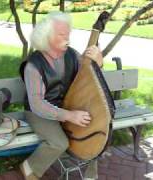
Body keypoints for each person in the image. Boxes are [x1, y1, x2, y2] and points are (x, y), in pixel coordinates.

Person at [19, 11, 103, 180]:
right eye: (62, 34)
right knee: (59, 143)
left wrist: (98, 64)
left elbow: (88, 77)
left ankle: (90, 176)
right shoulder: (33, 65)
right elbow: (37, 104)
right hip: (39, 112)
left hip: (67, 107)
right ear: (47, 37)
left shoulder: (72, 55)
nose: (68, 39)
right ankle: (30, 168)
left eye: (68, 33)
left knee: (96, 131)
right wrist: (69, 115)